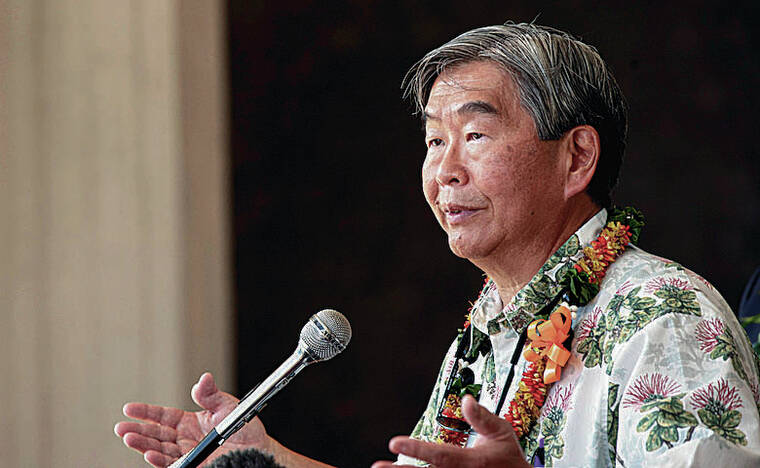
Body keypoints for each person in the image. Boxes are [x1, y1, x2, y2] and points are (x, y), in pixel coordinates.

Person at [115, 22, 760, 467]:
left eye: (475, 135)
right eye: (432, 141)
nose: (444, 170)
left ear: (576, 158)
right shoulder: (488, 331)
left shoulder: (666, 317)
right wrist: (266, 458)